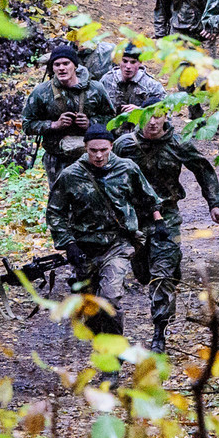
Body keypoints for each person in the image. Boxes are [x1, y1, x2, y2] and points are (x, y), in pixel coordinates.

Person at [113, 109, 219, 352]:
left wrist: (214, 204)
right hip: (135, 218)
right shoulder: (124, 146)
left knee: (161, 274)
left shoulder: (178, 143)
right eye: (148, 117)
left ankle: (159, 333)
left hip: (167, 214)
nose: (153, 122)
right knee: (143, 273)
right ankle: (170, 267)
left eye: (158, 116)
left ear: (166, 117)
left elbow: (202, 168)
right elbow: (104, 173)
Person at [46, 124, 163, 341]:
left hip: (117, 244)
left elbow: (149, 197)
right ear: (85, 148)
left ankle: (114, 355)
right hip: (85, 247)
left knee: (109, 300)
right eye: (93, 150)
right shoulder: (71, 175)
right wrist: (68, 244)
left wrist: (159, 222)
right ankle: (100, 341)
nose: (98, 155)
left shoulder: (127, 168)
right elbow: (55, 212)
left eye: (103, 150)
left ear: (111, 146)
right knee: (91, 308)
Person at [22, 45, 117, 186]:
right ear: (52, 68)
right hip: (57, 158)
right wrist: (54, 125)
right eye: (57, 64)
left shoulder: (95, 89)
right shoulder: (42, 92)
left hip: (93, 158)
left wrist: (90, 124)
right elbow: (27, 124)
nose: (61, 68)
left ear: (75, 66)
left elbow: (112, 121)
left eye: (66, 63)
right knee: (61, 201)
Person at [100, 45, 165, 135]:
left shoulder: (151, 86)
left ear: (140, 63)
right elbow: (97, 109)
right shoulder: (107, 80)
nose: (128, 66)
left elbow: (166, 115)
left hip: (139, 135)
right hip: (109, 133)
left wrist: (141, 111)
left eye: (133, 62)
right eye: (125, 61)